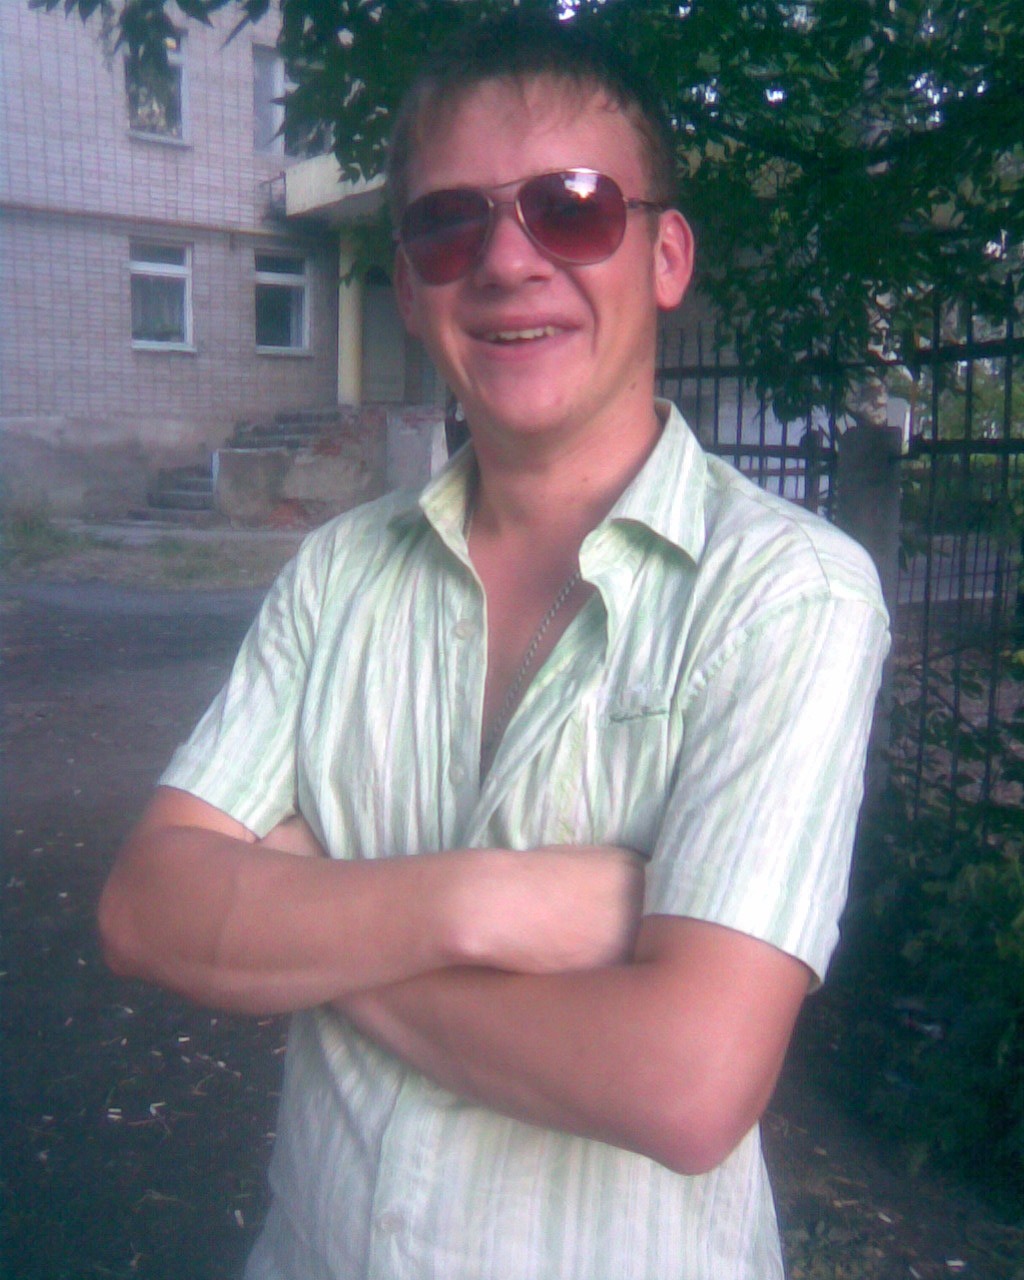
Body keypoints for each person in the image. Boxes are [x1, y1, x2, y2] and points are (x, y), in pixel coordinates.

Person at [99, 13, 890, 1279]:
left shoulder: (783, 592)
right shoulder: (336, 574)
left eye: (572, 208)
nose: (509, 261)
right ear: (411, 286)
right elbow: (148, 909)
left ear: (665, 255)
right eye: (449, 223)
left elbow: (686, 1083)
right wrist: (491, 901)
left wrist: (314, 923)